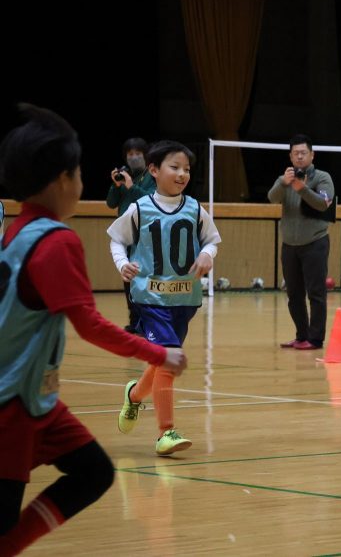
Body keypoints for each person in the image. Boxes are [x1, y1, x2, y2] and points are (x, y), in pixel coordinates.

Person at [0, 105, 187, 555]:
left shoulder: (16, 231)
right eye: (79, 172)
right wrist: (159, 354)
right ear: (61, 180)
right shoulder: (56, 241)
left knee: (95, 472)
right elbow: (90, 325)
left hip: (36, 401)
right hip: (11, 405)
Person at [108, 141, 220, 456]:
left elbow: (212, 241)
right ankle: (165, 433)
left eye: (187, 169)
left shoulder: (195, 209)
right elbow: (116, 239)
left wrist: (208, 255)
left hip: (184, 300)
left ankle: (134, 395)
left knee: (162, 362)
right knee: (169, 358)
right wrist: (122, 264)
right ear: (154, 170)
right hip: (150, 298)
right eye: (175, 167)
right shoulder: (139, 208)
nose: (182, 174)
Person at [269, 135, 335, 350]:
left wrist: (302, 189)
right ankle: (301, 335)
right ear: (290, 156)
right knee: (294, 294)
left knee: (316, 293)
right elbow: (272, 198)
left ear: (312, 155)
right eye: (295, 153)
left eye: (303, 153)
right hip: (289, 245)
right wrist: (283, 183)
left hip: (315, 243)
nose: (299, 156)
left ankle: (315, 339)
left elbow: (323, 203)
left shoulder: (322, 177)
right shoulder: (285, 179)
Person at [105, 137, 157, 334]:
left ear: (146, 155)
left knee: (144, 279)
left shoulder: (152, 176)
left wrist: (131, 186)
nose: (133, 158)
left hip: (145, 235)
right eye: (130, 154)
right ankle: (134, 321)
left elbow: (150, 201)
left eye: (137, 154)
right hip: (126, 234)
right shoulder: (126, 175)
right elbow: (111, 203)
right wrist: (116, 185)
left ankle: (148, 322)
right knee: (128, 278)